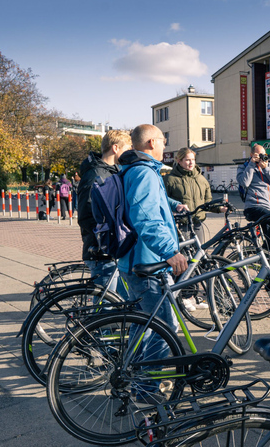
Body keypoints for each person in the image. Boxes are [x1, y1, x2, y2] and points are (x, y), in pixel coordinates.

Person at [117, 124, 189, 401]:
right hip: (147, 262)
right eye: (162, 140)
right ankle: (147, 392)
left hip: (135, 260)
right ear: (150, 142)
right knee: (162, 328)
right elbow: (146, 217)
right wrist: (170, 250)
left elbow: (153, 203)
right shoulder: (143, 172)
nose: (165, 145)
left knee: (143, 325)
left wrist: (173, 205)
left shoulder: (138, 170)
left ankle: (131, 378)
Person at [77, 129, 132, 297]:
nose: (129, 152)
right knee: (104, 304)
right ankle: (97, 324)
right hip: (102, 249)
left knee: (121, 299)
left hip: (114, 247)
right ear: (115, 148)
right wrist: (107, 237)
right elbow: (86, 215)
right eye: (128, 148)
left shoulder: (112, 171)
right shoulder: (96, 175)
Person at [164, 147, 225, 244]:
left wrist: (219, 209)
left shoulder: (201, 179)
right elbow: (163, 201)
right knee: (184, 256)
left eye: (193, 159)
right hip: (181, 225)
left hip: (197, 224)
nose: (191, 162)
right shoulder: (170, 179)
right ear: (179, 161)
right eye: (187, 160)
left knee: (199, 255)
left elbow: (207, 202)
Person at [237, 144, 270, 249]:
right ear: (252, 154)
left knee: (269, 239)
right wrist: (252, 164)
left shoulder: (267, 166)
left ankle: (266, 259)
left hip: (267, 209)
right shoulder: (244, 167)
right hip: (253, 207)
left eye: (264, 154)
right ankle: (264, 252)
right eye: (259, 155)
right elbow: (244, 182)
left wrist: (266, 168)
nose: (261, 157)